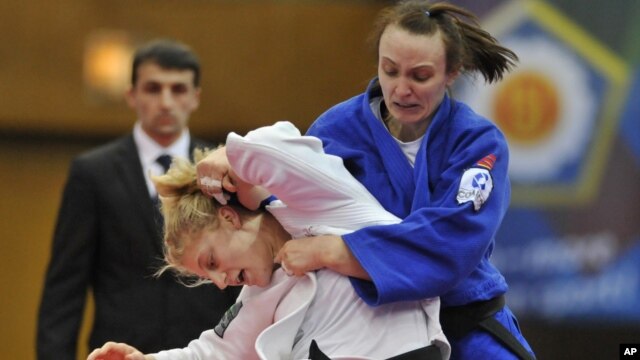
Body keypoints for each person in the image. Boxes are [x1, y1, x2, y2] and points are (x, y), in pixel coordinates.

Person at [198, 1, 535, 359]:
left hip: (466, 323)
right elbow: (293, 210)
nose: (401, 89)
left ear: (452, 73)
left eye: (420, 76)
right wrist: (234, 158)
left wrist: (335, 250)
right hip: (376, 333)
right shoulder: (338, 129)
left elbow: (449, 242)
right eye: (390, 70)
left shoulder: (477, 142)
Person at [86, 121, 450, 360]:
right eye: (206, 276)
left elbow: (282, 144)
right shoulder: (262, 289)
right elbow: (215, 352)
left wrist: (226, 156)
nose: (218, 281)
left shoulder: (316, 202)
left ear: (229, 217)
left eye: (211, 262)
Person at [37, 39, 240, 360]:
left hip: (206, 349)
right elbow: (65, 288)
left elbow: (242, 275)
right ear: (132, 95)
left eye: (178, 89)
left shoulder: (223, 168)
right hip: (117, 350)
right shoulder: (93, 173)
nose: (166, 101)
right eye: (153, 88)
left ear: (195, 97)